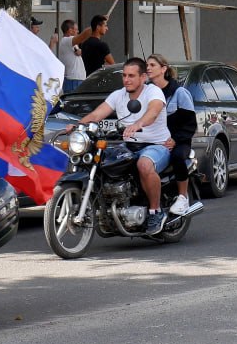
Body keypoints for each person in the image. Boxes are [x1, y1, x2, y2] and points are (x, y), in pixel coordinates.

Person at [73, 58, 172, 235]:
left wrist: (138, 124)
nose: (127, 79)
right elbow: (98, 113)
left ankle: (155, 211)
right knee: (102, 160)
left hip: (156, 145)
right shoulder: (119, 95)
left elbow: (153, 111)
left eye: (132, 76)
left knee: (144, 164)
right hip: (129, 145)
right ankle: (110, 207)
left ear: (143, 77)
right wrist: (77, 126)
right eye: (125, 75)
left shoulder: (153, 92)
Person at [147, 54, 200, 216]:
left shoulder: (179, 93)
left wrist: (175, 140)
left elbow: (190, 124)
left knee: (177, 157)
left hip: (178, 141)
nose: (148, 68)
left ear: (163, 69)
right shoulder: (146, 92)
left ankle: (182, 197)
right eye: (146, 65)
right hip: (154, 140)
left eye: (152, 65)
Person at [56, 19, 86, 92]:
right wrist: (94, 27)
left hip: (75, 80)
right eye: (76, 29)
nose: (78, 32)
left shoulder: (71, 44)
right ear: (70, 30)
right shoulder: (67, 40)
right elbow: (82, 37)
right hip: (73, 81)